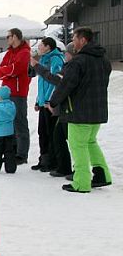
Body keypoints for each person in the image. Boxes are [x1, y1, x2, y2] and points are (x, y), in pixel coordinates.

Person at [48, 27, 112, 193]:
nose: (72, 43)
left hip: (79, 112)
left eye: (74, 39)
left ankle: (81, 183)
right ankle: (102, 175)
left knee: (78, 146)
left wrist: (53, 102)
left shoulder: (78, 62)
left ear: (83, 40)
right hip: (97, 111)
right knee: (90, 142)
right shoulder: (103, 60)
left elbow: (66, 85)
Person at [30, 42, 75, 178]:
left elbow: (55, 82)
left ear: (48, 47)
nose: (38, 48)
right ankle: (44, 160)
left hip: (51, 104)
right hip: (44, 103)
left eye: (41, 45)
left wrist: (50, 101)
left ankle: (52, 161)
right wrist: (39, 100)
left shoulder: (55, 59)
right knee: (42, 132)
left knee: (52, 133)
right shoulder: (43, 59)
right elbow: (41, 83)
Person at [0, 28, 31, 164]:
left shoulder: (24, 52)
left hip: (18, 93)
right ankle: (13, 152)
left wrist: (7, 71)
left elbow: (16, 69)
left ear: (15, 37)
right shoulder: (10, 53)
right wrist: (7, 71)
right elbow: (0, 70)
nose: (7, 39)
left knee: (20, 122)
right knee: (10, 123)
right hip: (7, 92)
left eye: (8, 36)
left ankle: (22, 155)